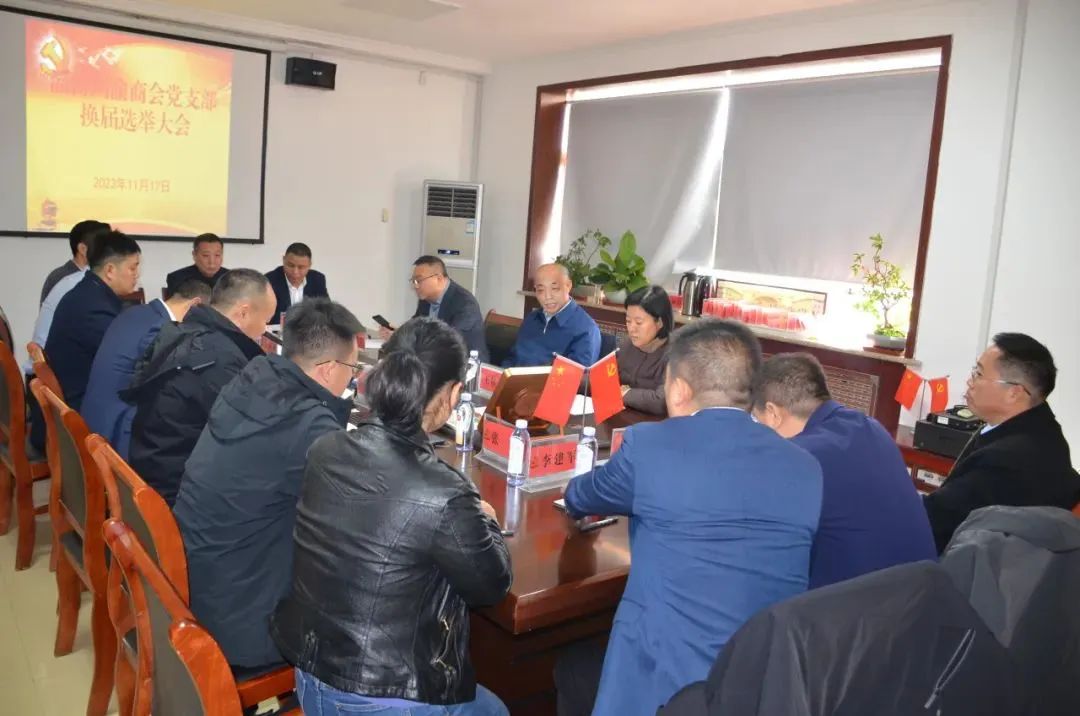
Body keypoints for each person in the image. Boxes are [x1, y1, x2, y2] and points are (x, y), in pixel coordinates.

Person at [557, 319, 823, 716]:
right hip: (763, 687)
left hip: (664, 686)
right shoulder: (806, 468)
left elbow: (581, 496)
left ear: (679, 390)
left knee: (571, 666)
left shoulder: (651, 446)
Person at [271, 317, 513, 716]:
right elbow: (492, 587)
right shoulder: (445, 493)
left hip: (310, 673)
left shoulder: (326, 449)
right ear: (453, 394)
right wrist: (485, 518)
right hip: (381, 696)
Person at [174, 299, 361, 672]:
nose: (352, 379)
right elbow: (360, 513)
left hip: (195, 582)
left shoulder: (252, 377)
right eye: (352, 370)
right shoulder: (309, 426)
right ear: (328, 369)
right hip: (241, 622)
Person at [751, 353, 937, 588]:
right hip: (922, 594)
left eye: (756, 420)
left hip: (860, 605)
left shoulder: (798, 458)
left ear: (773, 414)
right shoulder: (872, 428)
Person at [124, 269, 276, 507]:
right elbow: (252, 436)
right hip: (178, 494)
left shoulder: (187, 330)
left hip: (153, 467)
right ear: (244, 312)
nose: (265, 329)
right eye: (265, 320)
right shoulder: (219, 359)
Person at [923, 333, 1080, 553]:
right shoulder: (1043, 428)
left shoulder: (1008, 459)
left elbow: (934, 521)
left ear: (1014, 393)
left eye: (978, 374)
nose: (970, 381)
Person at [82, 279, 211, 459]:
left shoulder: (136, 312)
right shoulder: (161, 329)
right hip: (116, 431)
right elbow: (163, 393)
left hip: (93, 415)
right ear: (195, 304)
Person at [43, 230, 142, 413]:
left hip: (79, 395)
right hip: (81, 406)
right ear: (110, 270)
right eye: (133, 268)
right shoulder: (93, 307)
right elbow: (128, 360)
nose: (137, 275)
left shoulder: (89, 292)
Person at [380, 256, 488, 361]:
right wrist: (397, 334)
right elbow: (415, 326)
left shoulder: (465, 303)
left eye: (419, 280)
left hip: (464, 365)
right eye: (413, 281)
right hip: (434, 361)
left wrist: (404, 340)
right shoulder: (425, 299)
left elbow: (448, 341)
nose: (415, 286)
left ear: (439, 279)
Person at [504, 263, 600, 367]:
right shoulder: (532, 318)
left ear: (568, 286)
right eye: (540, 290)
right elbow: (512, 358)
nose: (547, 296)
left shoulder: (586, 329)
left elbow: (577, 375)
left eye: (554, 288)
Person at [617, 285, 673, 415]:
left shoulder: (676, 354)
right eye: (628, 321)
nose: (631, 329)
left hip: (655, 424)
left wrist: (625, 393)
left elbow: (661, 401)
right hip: (623, 418)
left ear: (659, 322)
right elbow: (605, 376)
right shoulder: (626, 345)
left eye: (639, 322)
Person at [39, 219, 110, 305]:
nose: (111, 252)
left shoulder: (100, 276)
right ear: (83, 249)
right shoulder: (61, 278)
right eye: (103, 246)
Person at [265, 242, 329, 322]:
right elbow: (263, 316)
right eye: (291, 265)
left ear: (309, 265)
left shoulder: (317, 279)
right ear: (284, 260)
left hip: (309, 329)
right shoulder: (269, 280)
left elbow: (326, 311)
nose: (295, 272)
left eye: (301, 267)